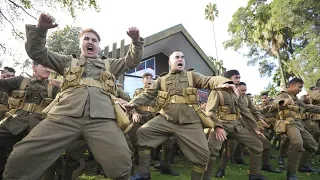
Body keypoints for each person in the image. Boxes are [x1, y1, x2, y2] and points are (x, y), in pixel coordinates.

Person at [3, 12, 144, 180]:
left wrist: (135, 42)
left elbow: (132, 61)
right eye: (86, 39)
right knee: (21, 156)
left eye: (94, 40)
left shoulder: (110, 65)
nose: (90, 42)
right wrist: (40, 30)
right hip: (63, 116)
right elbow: (38, 53)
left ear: (99, 46)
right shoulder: (67, 62)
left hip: (102, 119)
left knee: (121, 163)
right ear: (81, 45)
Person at [128, 51, 233, 180]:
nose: (181, 59)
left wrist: (224, 81)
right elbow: (147, 95)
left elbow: (208, 80)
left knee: (203, 154)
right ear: (170, 62)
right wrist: (131, 104)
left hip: (190, 121)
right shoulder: (161, 79)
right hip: (166, 119)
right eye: (177, 57)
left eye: (183, 57)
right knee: (143, 133)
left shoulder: (191, 76)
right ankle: (144, 174)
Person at [0, 62, 59, 180]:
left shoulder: (54, 86)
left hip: (38, 129)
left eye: (50, 67)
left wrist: (65, 85)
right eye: (44, 66)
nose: (48, 69)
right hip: (15, 124)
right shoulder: (20, 80)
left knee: (37, 160)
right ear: (34, 68)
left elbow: (69, 98)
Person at [203, 70, 266, 180]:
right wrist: (217, 126)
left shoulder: (236, 94)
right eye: (236, 77)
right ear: (227, 79)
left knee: (257, 145)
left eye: (239, 78)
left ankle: (254, 175)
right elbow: (209, 112)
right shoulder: (217, 92)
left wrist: (255, 128)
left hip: (237, 126)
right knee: (212, 151)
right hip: (221, 125)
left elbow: (245, 111)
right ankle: (206, 177)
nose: (238, 80)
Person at [270, 78, 320, 180]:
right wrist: (283, 102)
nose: (301, 89)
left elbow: (307, 107)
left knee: (312, 145)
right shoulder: (284, 95)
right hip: (289, 123)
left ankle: (303, 166)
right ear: (291, 86)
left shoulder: (296, 98)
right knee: (297, 143)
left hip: (299, 124)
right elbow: (275, 103)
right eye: (299, 87)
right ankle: (291, 174)